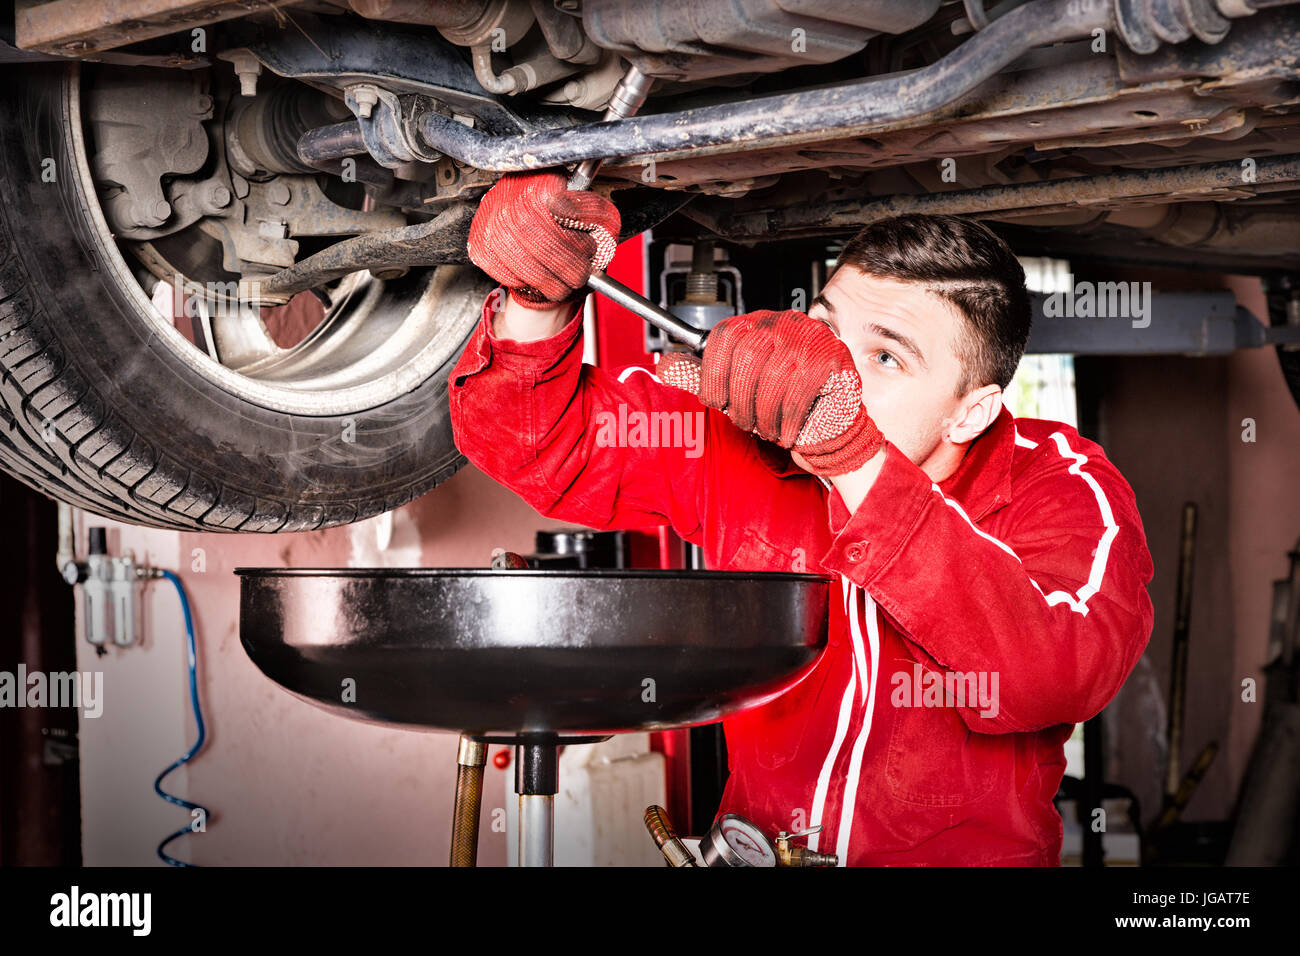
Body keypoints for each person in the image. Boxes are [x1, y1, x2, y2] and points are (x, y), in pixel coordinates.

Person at [449, 169, 1155, 866]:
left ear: (970, 411)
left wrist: (853, 458)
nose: (835, 371)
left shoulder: (1058, 479)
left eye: (885, 356)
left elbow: (1048, 676)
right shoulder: (746, 438)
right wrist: (534, 295)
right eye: (826, 332)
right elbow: (541, 440)